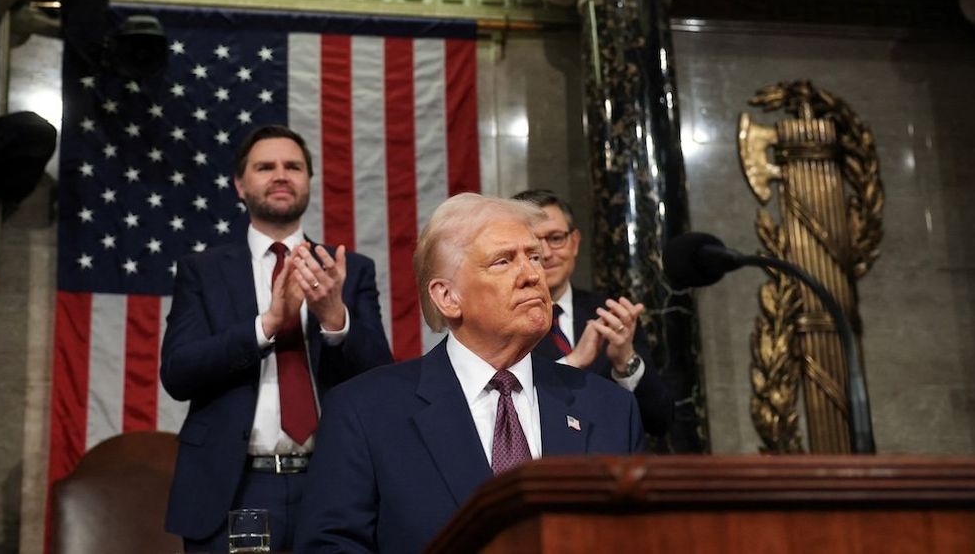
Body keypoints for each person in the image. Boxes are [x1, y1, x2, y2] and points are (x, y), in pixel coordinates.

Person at [294, 193, 643, 554]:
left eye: (534, 257)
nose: (531, 275)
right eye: (502, 261)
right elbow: (330, 546)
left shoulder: (610, 409)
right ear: (447, 297)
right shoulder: (365, 412)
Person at [159, 125, 393, 552]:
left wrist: (334, 318)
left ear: (308, 181)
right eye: (265, 167)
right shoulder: (202, 271)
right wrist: (266, 324)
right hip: (236, 486)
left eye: (294, 167)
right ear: (239, 184)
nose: (281, 175)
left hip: (333, 480)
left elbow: (381, 378)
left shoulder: (348, 269)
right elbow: (177, 372)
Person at [512, 188, 673, 436]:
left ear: (575, 243)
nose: (546, 253)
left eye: (556, 238)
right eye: (533, 244)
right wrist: (572, 363)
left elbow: (659, 421)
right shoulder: (500, 323)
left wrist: (625, 362)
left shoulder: (610, 314)